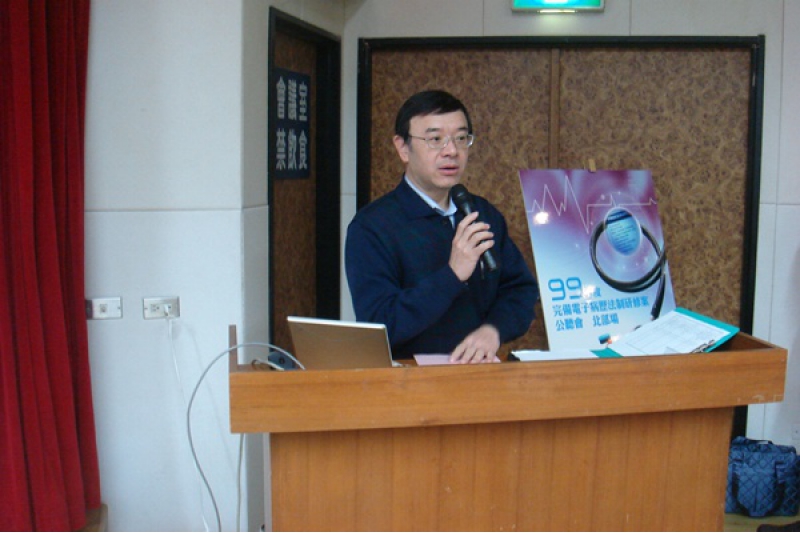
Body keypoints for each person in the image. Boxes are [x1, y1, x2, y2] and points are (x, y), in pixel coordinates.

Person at [345, 90, 539, 364]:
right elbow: (380, 326)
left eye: (461, 138)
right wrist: (452, 275)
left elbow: (521, 290)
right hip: (409, 378)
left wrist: (493, 330)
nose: (451, 151)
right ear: (403, 148)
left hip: (481, 372)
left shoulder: (480, 213)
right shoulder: (371, 228)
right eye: (435, 140)